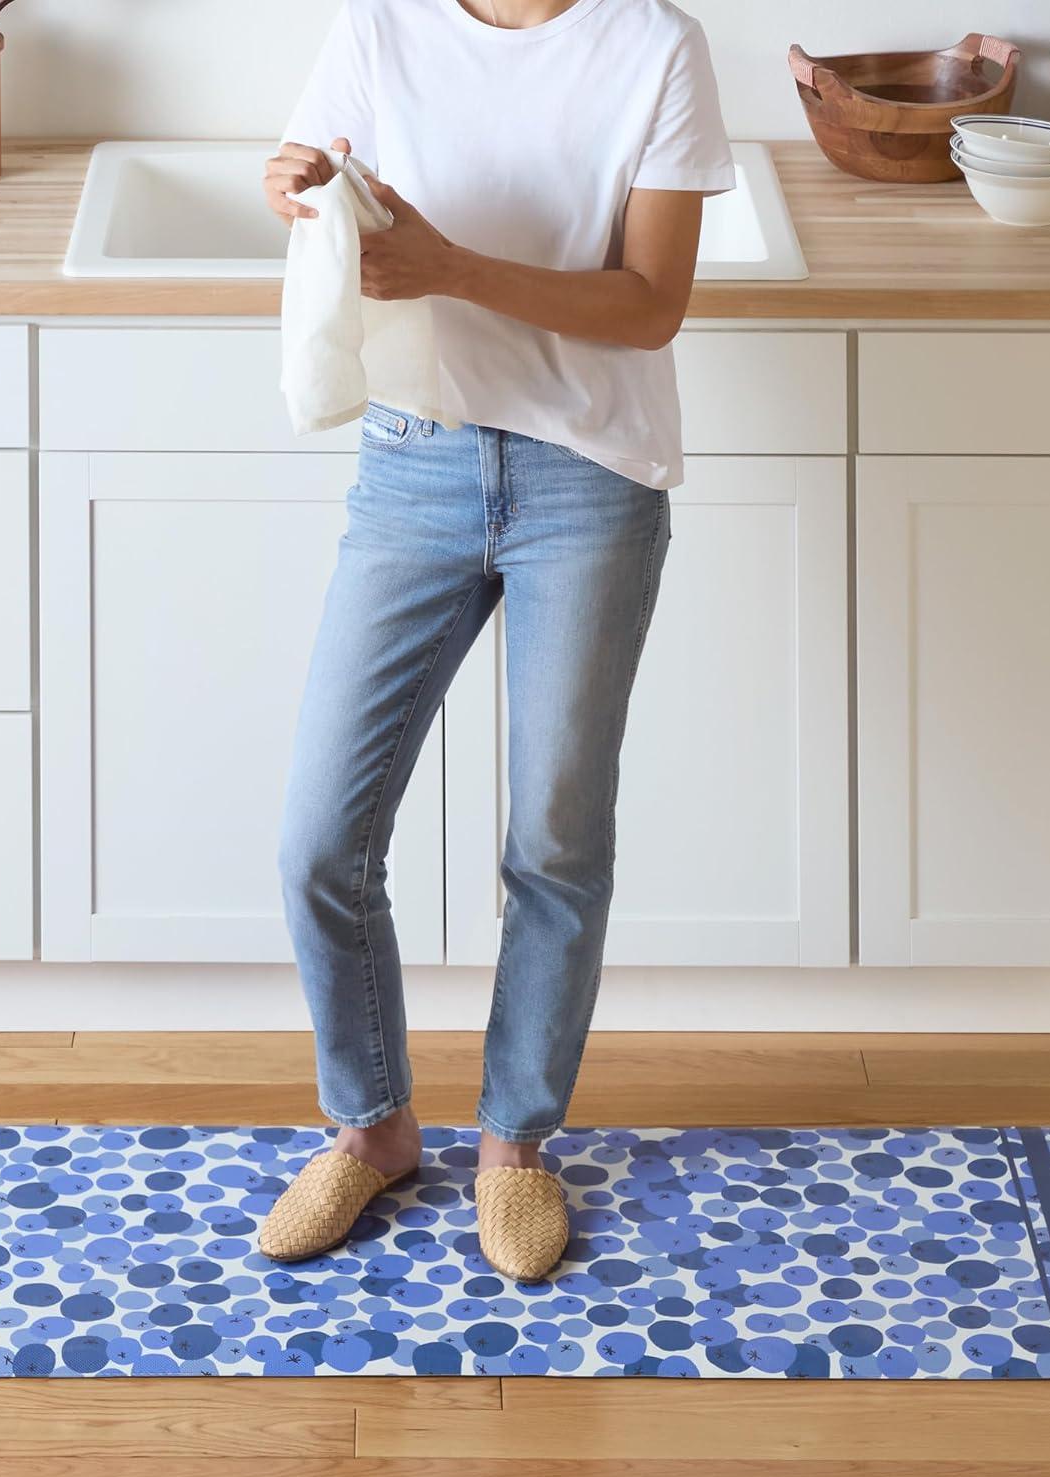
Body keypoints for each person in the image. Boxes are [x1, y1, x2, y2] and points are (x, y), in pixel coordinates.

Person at [259, 0, 734, 1284]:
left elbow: (651, 306)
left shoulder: (656, 47)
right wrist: (301, 188)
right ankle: (374, 1127)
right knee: (321, 837)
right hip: (412, 463)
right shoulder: (380, 27)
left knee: (555, 842)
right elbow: (316, 190)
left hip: (589, 475)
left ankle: (514, 1146)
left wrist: (451, 266)